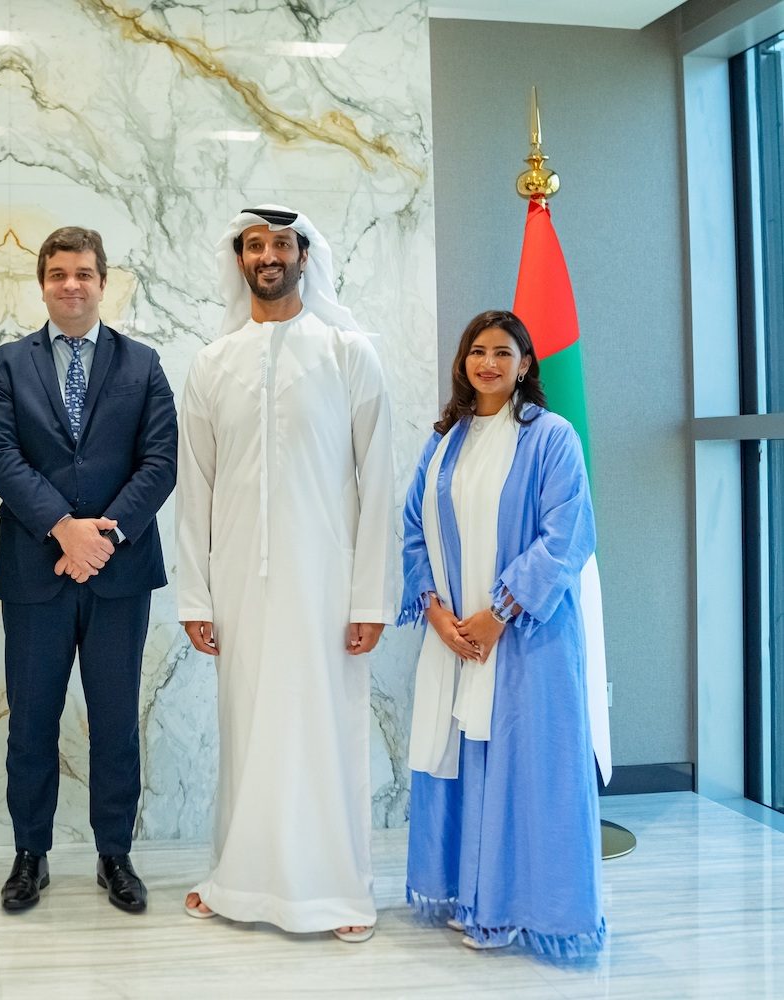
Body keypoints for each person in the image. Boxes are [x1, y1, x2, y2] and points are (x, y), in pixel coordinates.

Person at [174, 205, 397, 942]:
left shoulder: (347, 351)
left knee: (322, 730)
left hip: (327, 587)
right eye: (253, 245)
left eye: (281, 244)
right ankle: (236, 879)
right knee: (247, 730)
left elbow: (379, 482)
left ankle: (335, 891)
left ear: (306, 255)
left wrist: (371, 596)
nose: (267, 255)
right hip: (240, 581)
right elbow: (195, 486)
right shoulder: (213, 361)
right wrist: (196, 595)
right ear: (239, 259)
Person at [0, 226, 177, 914]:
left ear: (103, 280)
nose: (72, 284)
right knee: (31, 722)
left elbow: (160, 462)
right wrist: (63, 528)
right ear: (43, 283)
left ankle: (114, 853)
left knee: (116, 721)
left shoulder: (143, 363)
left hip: (119, 575)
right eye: (59, 273)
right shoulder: (6, 365)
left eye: (84, 273)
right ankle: (29, 855)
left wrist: (106, 534)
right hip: (37, 570)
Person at [400, 309, 604, 955]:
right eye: (476, 351)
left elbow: (564, 535)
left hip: (527, 640)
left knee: (528, 768)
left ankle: (522, 906)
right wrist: (435, 612)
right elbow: (412, 526)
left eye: (502, 352)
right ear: (463, 363)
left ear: (525, 364)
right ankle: (470, 893)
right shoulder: (444, 441)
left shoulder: (552, 437)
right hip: (455, 636)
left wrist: (499, 612)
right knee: (463, 759)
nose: (488, 362)